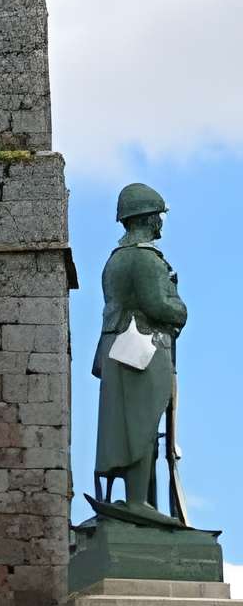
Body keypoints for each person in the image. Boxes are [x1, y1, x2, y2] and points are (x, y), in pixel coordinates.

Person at [93, 182, 187, 515]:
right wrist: (181, 308)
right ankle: (137, 500)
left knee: (130, 423)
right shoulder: (146, 260)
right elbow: (159, 306)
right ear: (148, 218)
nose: (161, 222)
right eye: (158, 216)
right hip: (143, 348)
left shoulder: (115, 259)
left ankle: (140, 500)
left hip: (117, 346)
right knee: (143, 425)